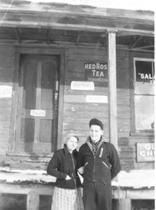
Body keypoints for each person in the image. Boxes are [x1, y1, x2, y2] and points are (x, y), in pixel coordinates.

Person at [78, 118, 121, 210]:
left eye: (96, 131)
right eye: (91, 130)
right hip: (88, 186)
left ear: (102, 132)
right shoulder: (83, 148)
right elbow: (79, 166)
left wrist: (106, 178)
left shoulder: (109, 147)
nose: (94, 133)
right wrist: (87, 176)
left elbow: (117, 166)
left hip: (104, 186)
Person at [47, 133, 84, 210]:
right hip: (62, 189)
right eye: (71, 141)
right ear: (66, 142)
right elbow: (50, 169)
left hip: (75, 190)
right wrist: (64, 176)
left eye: (76, 142)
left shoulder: (78, 155)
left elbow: (82, 168)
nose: (73, 144)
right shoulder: (59, 153)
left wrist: (81, 171)